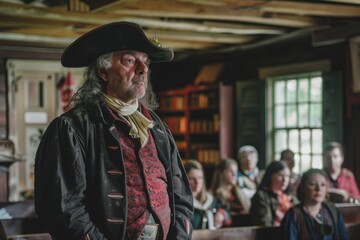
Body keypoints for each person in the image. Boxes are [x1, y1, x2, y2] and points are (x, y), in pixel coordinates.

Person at [34, 22, 193, 240]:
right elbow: (65, 208)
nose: (143, 69)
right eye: (130, 60)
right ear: (103, 72)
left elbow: (181, 197)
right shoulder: (72, 128)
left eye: (145, 62)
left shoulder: (158, 129)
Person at [281, 168, 348, 240]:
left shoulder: (333, 211)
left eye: (323, 185)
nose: (318, 189)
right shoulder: (293, 215)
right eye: (312, 184)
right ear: (303, 187)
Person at [184, 160, 230, 230]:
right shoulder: (182, 203)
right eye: (192, 178)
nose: (197, 182)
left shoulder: (210, 200)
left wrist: (222, 214)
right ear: (185, 179)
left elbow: (226, 212)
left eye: (200, 178)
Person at [250, 160, 298, 226]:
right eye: (281, 175)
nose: (285, 180)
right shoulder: (261, 196)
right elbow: (265, 223)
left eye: (287, 176)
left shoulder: (291, 196)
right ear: (270, 176)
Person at [210, 158, 251, 227]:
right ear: (222, 173)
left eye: (236, 171)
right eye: (231, 171)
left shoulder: (239, 192)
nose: (235, 175)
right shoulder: (212, 194)